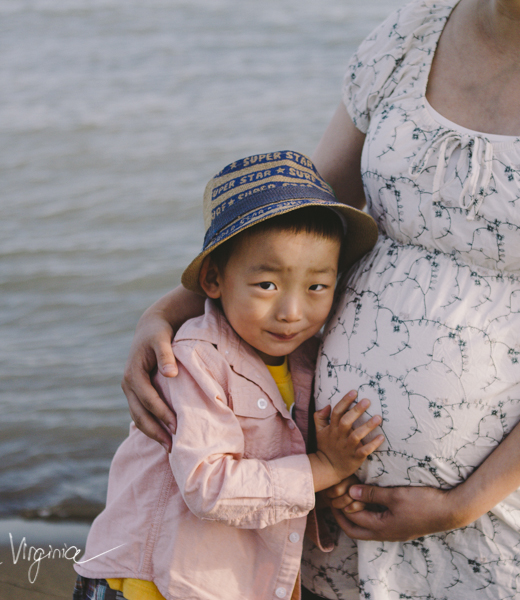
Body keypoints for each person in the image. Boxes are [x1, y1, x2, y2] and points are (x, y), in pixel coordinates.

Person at [121, 0, 520, 597]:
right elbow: (302, 225)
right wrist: (170, 310)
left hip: (506, 521)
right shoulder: (412, 32)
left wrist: (462, 503)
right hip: (328, 508)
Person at [73, 151, 385, 600]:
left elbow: (282, 456)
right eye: (267, 285)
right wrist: (323, 467)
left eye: (317, 286)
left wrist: (333, 484)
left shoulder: (304, 360)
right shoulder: (195, 360)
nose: (292, 312)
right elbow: (209, 486)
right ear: (215, 280)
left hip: (225, 578)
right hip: (150, 582)